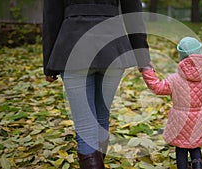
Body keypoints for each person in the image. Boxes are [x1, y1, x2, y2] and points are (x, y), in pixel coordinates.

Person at [42, 0, 151, 168]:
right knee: (101, 117)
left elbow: (51, 16)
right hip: (113, 47)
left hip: (72, 45)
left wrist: (49, 63)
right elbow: (133, 14)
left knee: (86, 128)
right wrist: (143, 58)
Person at [140, 37, 202, 169]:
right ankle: (198, 167)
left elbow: (157, 87)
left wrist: (147, 70)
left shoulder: (175, 79)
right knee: (195, 148)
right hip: (199, 119)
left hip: (179, 120)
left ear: (181, 56)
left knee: (181, 149)